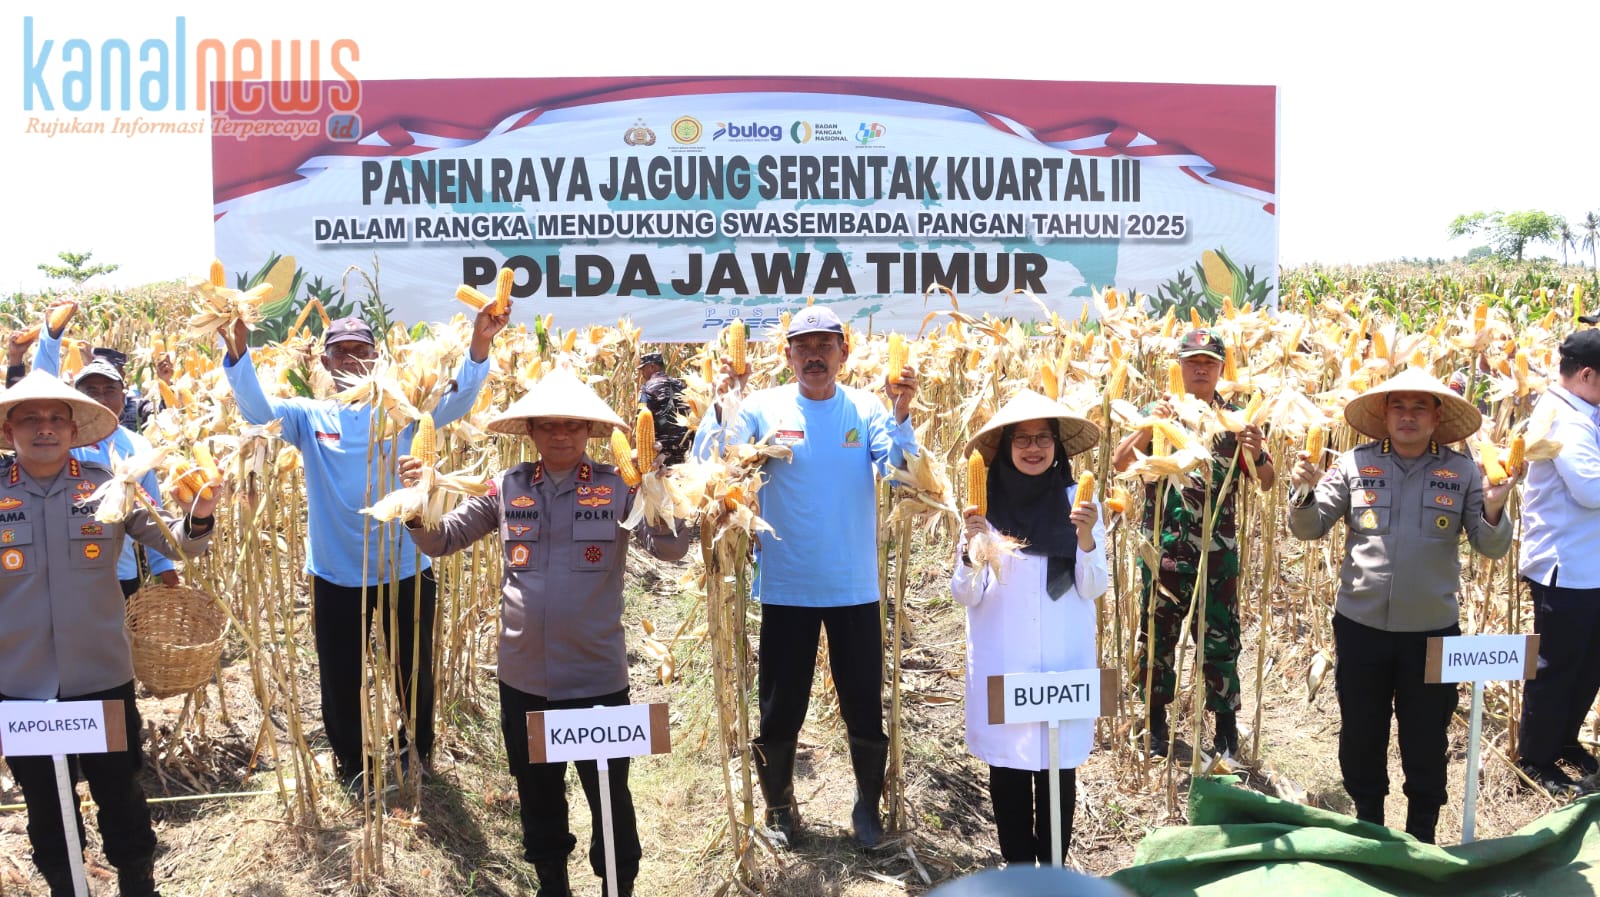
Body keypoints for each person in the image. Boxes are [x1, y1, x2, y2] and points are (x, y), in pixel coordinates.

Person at [399, 368, 689, 897]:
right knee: (537, 791)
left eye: (573, 426)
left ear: (588, 433)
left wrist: (660, 491)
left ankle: (618, 883)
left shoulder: (618, 487)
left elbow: (669, 550)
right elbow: (443, 540)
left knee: (609, 793)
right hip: (525, 676)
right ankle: (551, 880)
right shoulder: (505, 489)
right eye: (549, 426)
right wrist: (417, 503)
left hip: (597, 676)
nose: (561, 436)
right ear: (530, 432)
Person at [220, 309, 507, 791]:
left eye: (361, 351)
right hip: (335, 572)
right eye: (341, 352)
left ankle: (417, 748)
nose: (352, 360)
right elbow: (258, 412)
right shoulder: (310, 416)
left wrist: (479, 344)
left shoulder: (407, 411)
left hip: (406, 567)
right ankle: (351, 760)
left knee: (413, 668)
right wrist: (236, 353)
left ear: (377, 357)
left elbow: (458, 402)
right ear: (326, 362)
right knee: (340, 674)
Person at [691, 305, 919, 848]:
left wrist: (904, 411)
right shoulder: (761, 407)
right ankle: (778, 807)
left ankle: (867, 806)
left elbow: (902, 470)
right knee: (780, 706)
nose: (814, 355)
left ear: (844, 352)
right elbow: (714, 462)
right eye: (803, 345)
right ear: (786, 354)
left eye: (825, 344)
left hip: (854, 587)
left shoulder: (866, 409)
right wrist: (724, 400)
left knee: (863, 702)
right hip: (787, 587)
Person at [0, 370, 218, 897]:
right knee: (45, 801)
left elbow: (177, 543)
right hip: (21, 684)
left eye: (57, 419)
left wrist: (201, 515)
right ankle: (65, 885)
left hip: (100, 678)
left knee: (119, 791)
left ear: (75, 432)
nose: (44, 429)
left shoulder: (107, 484)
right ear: (9, 433)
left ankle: (137, 882)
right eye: (30, 419)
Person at [1286, 367, 1513, 843]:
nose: (1407, 416)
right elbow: (1309, 528)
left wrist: (1494, 505)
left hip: (1432, 631)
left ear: (1436, 418)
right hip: (1361, 625)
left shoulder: (1464, 472)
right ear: (1385, 415)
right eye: (1398, 406)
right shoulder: (1352, 464)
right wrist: (1302, 490)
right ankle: (1369, 823)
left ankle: (1422, 832)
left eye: (1419, 408)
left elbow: (1490, 548)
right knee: (1362, 730)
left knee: (1426, 736)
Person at [953, 389, 1107, 866]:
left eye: (1043, 438)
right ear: (1005, 448)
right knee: (1010, 772)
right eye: (1022, 439)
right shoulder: (985, 508)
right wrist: (971, 547)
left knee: (1058, 771)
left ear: (1058, 446)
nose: (1033, 448)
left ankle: (1054, 873)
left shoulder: (1077, 501)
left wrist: (1085, 536)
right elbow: (965, 593)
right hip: (1006, 660)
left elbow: (1093, 585)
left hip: (1063, 661)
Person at [1112, 328, 1274, 758]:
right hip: (1162, 552)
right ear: (1179, 366)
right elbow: (1122, 463)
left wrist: (1256, 452)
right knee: (1155, 638)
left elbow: (1267, 481)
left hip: (1216, 556)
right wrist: (1152, 426)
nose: (1200, 368)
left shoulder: (1237, 421)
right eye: (1192, 361)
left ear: (1222, 368)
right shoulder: (1155, 410)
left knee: (1220, 640)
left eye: (1209, 362)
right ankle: (1153, 722)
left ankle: (1224, 728)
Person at [32, 315, 181, 597]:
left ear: (124, 397)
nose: (101, 398)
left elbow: (152, 510)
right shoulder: (64, 441)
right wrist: (50, 338)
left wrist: (163, 564)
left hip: (120, 571)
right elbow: (42, 391)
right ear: (78, 398)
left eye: (109, 391)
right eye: (91, 391)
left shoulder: (139, 447)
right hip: (64, 571)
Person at [1515, 329, 1600, 792]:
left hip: (1589, 566)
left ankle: (1564, 740)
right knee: (1557, 666)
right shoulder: (1564, 420)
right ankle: (1536, 758)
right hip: (1565, 567)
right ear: (1587, 374)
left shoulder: (1581, 411)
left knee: (1588, 664)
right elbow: (1590, 490)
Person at [637, 351, 692, 466]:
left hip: (661, 452)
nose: (642, 373)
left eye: (643, 368)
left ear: (652, 366)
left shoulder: (647, 388)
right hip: (686, 448)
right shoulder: (680, 385)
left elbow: (641, 418)